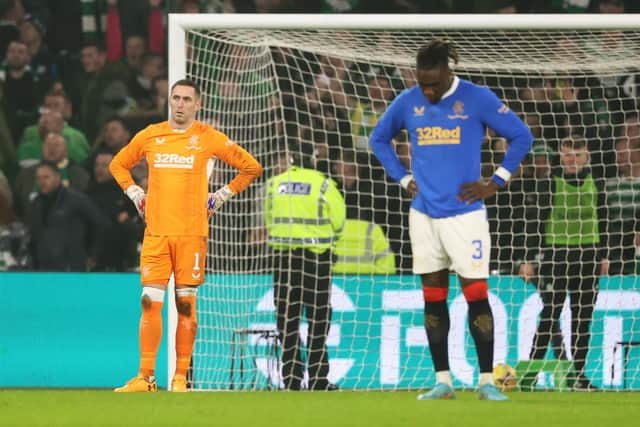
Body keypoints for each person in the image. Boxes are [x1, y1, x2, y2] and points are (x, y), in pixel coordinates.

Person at [369, 39, 533, 401]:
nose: (427, 90)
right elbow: (378, 138)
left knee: (476, 295)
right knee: (432, 298)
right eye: (422, 82)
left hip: (465, 216)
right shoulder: (408, 101)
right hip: (424, 215)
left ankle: (487, 381)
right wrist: (404, 179)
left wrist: (496, 182)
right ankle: (442, 381)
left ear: (449, 72)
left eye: (434, 83)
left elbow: (522, 135)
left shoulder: (477, 98)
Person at [109, 79, 263, 392]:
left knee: (185, 307)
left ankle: (180, 377)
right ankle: (146, 378)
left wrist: (220, 196)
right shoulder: (151, 135)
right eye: (175, 98)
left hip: (192, 234)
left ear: (198, 105)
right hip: (156, 234)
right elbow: (118, 164)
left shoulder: (208, 138)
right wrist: (136, 193)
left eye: (186, 99)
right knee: (149, 303)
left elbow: (251, 168)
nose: (180, 104)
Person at [519, 137, 609, 391]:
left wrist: (604, 254)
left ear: (587, 156)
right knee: (550, 314)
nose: (572, 160)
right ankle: (532, 373)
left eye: (577, 155)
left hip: (588, 255)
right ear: (560, 156)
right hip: (557, 255)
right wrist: (529, 258)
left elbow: (604, 218)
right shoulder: (550, 183)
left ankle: (579, 376)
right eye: (568, 155)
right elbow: (536, 222)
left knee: (583, 318)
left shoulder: (597, 183)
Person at [264, 151, 346, 391]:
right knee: (319, 320)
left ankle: (291, 378)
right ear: (313, 159)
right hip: (316, 260)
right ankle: (318, 379)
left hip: (284, 260)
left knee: (286, 321)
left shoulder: (275, 184)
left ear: (290, 160)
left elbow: (268, 219)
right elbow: (339, 221)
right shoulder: (324, 184)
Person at [27, 160, 107, 271]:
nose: (42, 182)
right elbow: (34, 234)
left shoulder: (76, 199)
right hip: (43, 267)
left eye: (46, 177)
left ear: (57, 177)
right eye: (38, 178)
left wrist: (93, 255)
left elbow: (99, 224)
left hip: (71, 266)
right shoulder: (36, 203)